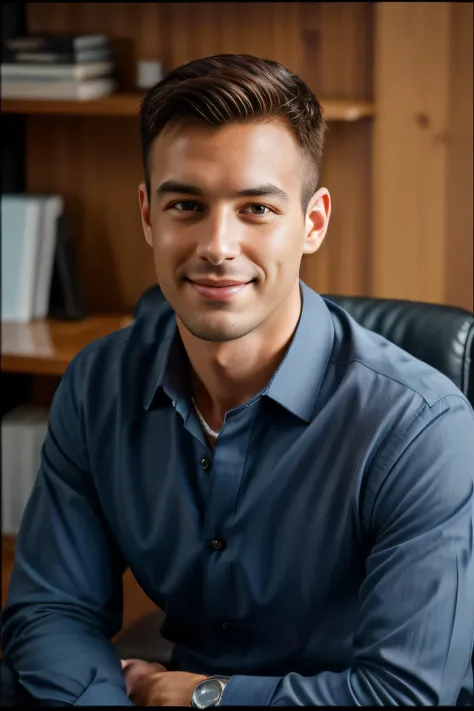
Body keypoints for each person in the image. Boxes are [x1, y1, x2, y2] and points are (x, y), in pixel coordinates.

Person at [1, 53, 473, 708]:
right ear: (148, 215)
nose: (217, 244)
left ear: (313, 222)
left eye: (255, 208)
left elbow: (406, 693)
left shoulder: (421, 427)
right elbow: (50, 610)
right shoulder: (98, 383)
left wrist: (203, 696)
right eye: (186, 204)